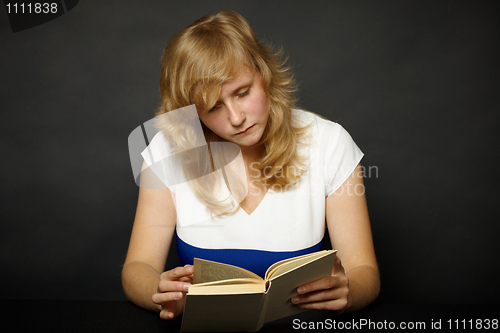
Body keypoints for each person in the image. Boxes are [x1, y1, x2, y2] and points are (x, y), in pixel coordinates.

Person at [122, 9, 380, 321]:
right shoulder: (167, 151)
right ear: (192, 111)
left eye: (242, 93)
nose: (235, 118)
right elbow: (138, 268)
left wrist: (348, 293)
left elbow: (365, 272)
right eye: (213, 107)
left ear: (264, 73)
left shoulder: (330, 142)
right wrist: (159, 292)